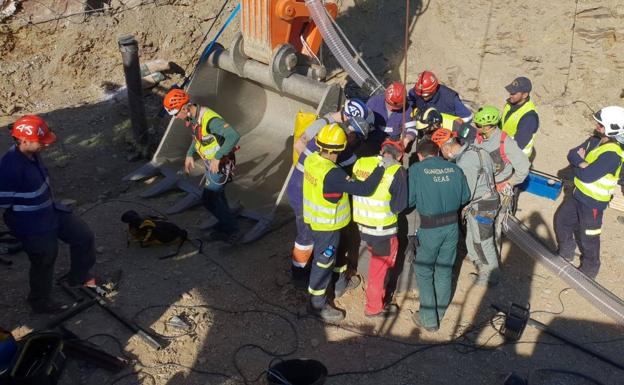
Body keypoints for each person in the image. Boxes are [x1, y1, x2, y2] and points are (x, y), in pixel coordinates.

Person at [0, 115, 96, 314]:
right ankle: (40, 302)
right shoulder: (10, 169)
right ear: (24, 141)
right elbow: (3, 203)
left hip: (51, 212)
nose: (45, 146)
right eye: (40, 142)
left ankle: (78, 277)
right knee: (44, 260)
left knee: (83, 236)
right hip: (32, 226)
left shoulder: (33, 154)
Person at [303, 124, 384, 321]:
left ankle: (340, 284)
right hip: (327, 228)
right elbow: (365, 189)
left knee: (338, 254)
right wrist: (382, 167)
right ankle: (317, 303)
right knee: (323, 263)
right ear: (338, 150)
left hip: (321, 223)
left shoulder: (312, 159)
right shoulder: (333, 174)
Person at [287, 99, 371, 287]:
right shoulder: (343, 152)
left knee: (310, 237)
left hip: (302, 189)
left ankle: (306, 273)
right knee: (306, 238)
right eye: (358, 139)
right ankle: (300, 276)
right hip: (304, 195)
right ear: (352, 136)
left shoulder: (324, 138)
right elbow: (357, 178)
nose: (357, 143)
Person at [554, 106, 624, 278]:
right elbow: (572, 154)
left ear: (612, 128)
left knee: (588, 238)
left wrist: (580, 162)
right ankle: (566, 252)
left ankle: (590, 269)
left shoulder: (613, 154)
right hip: (578, 195)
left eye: (600, 124)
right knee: (562, 221)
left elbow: (587, 175)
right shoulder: (595, 139)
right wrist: (582, 163)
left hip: (593, 203)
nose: (596, 126)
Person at [407, 140, 470, 332]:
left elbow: (409, 200)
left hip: (430, 228)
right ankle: (440, 312)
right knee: (444, 270)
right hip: (452, 227)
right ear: (438, 152)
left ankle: (429, 319)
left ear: (420, 155)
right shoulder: (455, 169)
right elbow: (464, 197)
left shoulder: (417, 170)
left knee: (425, 271)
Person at [163, 89, 241, 243]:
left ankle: (232, 229)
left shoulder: (210, 120)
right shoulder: (194, 117)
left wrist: (218, 157)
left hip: (219, 165)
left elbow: (233, 135)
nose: (175, 118)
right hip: (211, 162)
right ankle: (226, 219)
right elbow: (199, 137)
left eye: (175, 114)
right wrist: (190, 153)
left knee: (208, 199)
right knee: (218, 195)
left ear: (185, 108)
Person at [432, 129, 500, 286]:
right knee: (472, 237)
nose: (442, 155)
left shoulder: (465, 163)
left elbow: (466, 193)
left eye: (441, 151)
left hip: (481, 205)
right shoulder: (477, 149)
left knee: (483, 241)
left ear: (446, 148)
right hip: (487, 199)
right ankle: (482, 267)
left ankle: (492, 275)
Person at [351, 139, 407, 318]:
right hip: (383, 230)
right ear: (400, 156)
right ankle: (374, 307)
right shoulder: (396, 171)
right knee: (379, 270)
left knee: (376, 263)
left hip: (362, 225)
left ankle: (376, 300)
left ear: (382, 150)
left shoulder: (361, 162)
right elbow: (399, 206)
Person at [472, 106, 530, 252]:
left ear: (488, 127)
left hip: (499, 190)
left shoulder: (505, 143)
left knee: (495, 225)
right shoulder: (479, 138)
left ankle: (493, 259)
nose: (475, 127)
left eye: (478, 125)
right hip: (482, 187)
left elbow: (523, 167)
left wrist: (507, 183)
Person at [408, 70, 472, 123]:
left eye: (425, 95)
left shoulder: (450, 98)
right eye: (420, 95)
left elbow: (468, 116)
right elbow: (409, 101)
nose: (423, 97)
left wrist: (458, 123)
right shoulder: (416, 92)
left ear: (434, 90)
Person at [501, 76, 539, 159]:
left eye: (514, 93)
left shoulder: (529, 117)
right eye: (510, 92)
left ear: (525, 95)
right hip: (504, 148)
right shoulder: (510, 104)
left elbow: (519, 144)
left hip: (516, 157)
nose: (510, 95)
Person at [403, 107, 477, 149]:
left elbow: (472, 138)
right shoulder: (429, 124)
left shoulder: (456, 125)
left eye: (426, 128)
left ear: (436, 124)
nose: (424, 131)